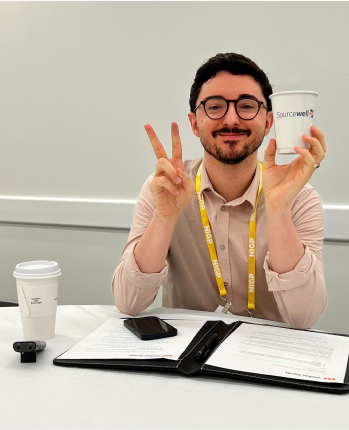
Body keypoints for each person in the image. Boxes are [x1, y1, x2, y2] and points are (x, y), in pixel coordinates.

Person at [112, 53, 327, 328]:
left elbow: (304, 317)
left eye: (247, 106)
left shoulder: (300, 198)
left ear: (268, 122)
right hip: (188, 357)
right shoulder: (165, 189)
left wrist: (278, 209)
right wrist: (165, 216)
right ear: (194, 123)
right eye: (215, 107)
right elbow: (128, 303)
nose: (231, 119)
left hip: (266, 357)